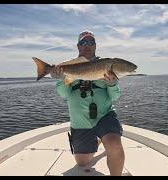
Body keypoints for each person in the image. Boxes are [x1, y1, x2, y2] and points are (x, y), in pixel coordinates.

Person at [50, 30, 125, 176]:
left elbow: (115, 97)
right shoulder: (67, 66)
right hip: (80, 121)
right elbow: (64, 94)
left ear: (95, 46)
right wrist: (60, 78)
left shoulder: (106, 65)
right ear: (78, 46)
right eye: (83, 42)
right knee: (82, 162)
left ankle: (106, 138)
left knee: (114, 145)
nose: (87, 45)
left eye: (91, 42)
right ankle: (99, 139)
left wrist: (112, 84)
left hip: (104, 115)